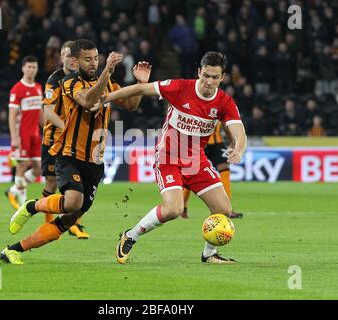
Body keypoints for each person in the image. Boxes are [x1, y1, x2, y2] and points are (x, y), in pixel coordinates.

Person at [0, 39, 152, 264]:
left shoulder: (106, 83)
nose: (93, 63)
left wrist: (139, 85)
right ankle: (31, 206)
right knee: (72, 201)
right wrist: (108, 71)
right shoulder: (70, 81)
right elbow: (89, 102)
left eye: (96, 59)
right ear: (75, 60)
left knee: (70, 218)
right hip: (69, 155)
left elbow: (131, 105)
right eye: (87, 59)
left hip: (95, 162)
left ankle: (13, 250)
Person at [103, 51, 247, 264]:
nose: (209, 82)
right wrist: (107, 98)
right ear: (199, 72)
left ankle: (209, 254)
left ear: (222, 78)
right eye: (205, 75)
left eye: (214, 77)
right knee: (174, 210)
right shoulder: (180, 87)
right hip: (168, 159)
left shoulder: (224, 102)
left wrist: (239, 149)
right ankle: (130, 236)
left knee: (223, 210)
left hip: (196, 162)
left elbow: (239, 131)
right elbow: (142, 88)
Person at [41, 40, 90, 239]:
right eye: (67, 55)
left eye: (73, 56)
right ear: (61, 57)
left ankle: (74, 223)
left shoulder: (82, 78)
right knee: (52, 183)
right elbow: (48, 112)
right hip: (54, 139)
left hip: (74, 142)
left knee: (77, 185)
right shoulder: (55, 80)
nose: (71, 60)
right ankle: (49, 224)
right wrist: (67, 128)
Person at [5, 56, 44, 209]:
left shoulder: (38, 87)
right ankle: (23, 204)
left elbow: (39, 112)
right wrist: (14, 137)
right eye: (29, 67)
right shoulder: (17, 89)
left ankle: (13, 190)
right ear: (23, 68)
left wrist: (47, 128)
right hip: (22, 134)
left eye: (34, 67)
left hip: (35, 134)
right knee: (22, 165)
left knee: (39, 167)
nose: (31, 70)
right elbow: (12, 115)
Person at [182, 121, 243, 219]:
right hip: (199, 142)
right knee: (191, 174)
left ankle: (228, 208)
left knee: (225, 171)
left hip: (217, 144)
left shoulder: (220, 107)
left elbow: (225, 123)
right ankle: (183, 206)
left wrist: (231, 140)